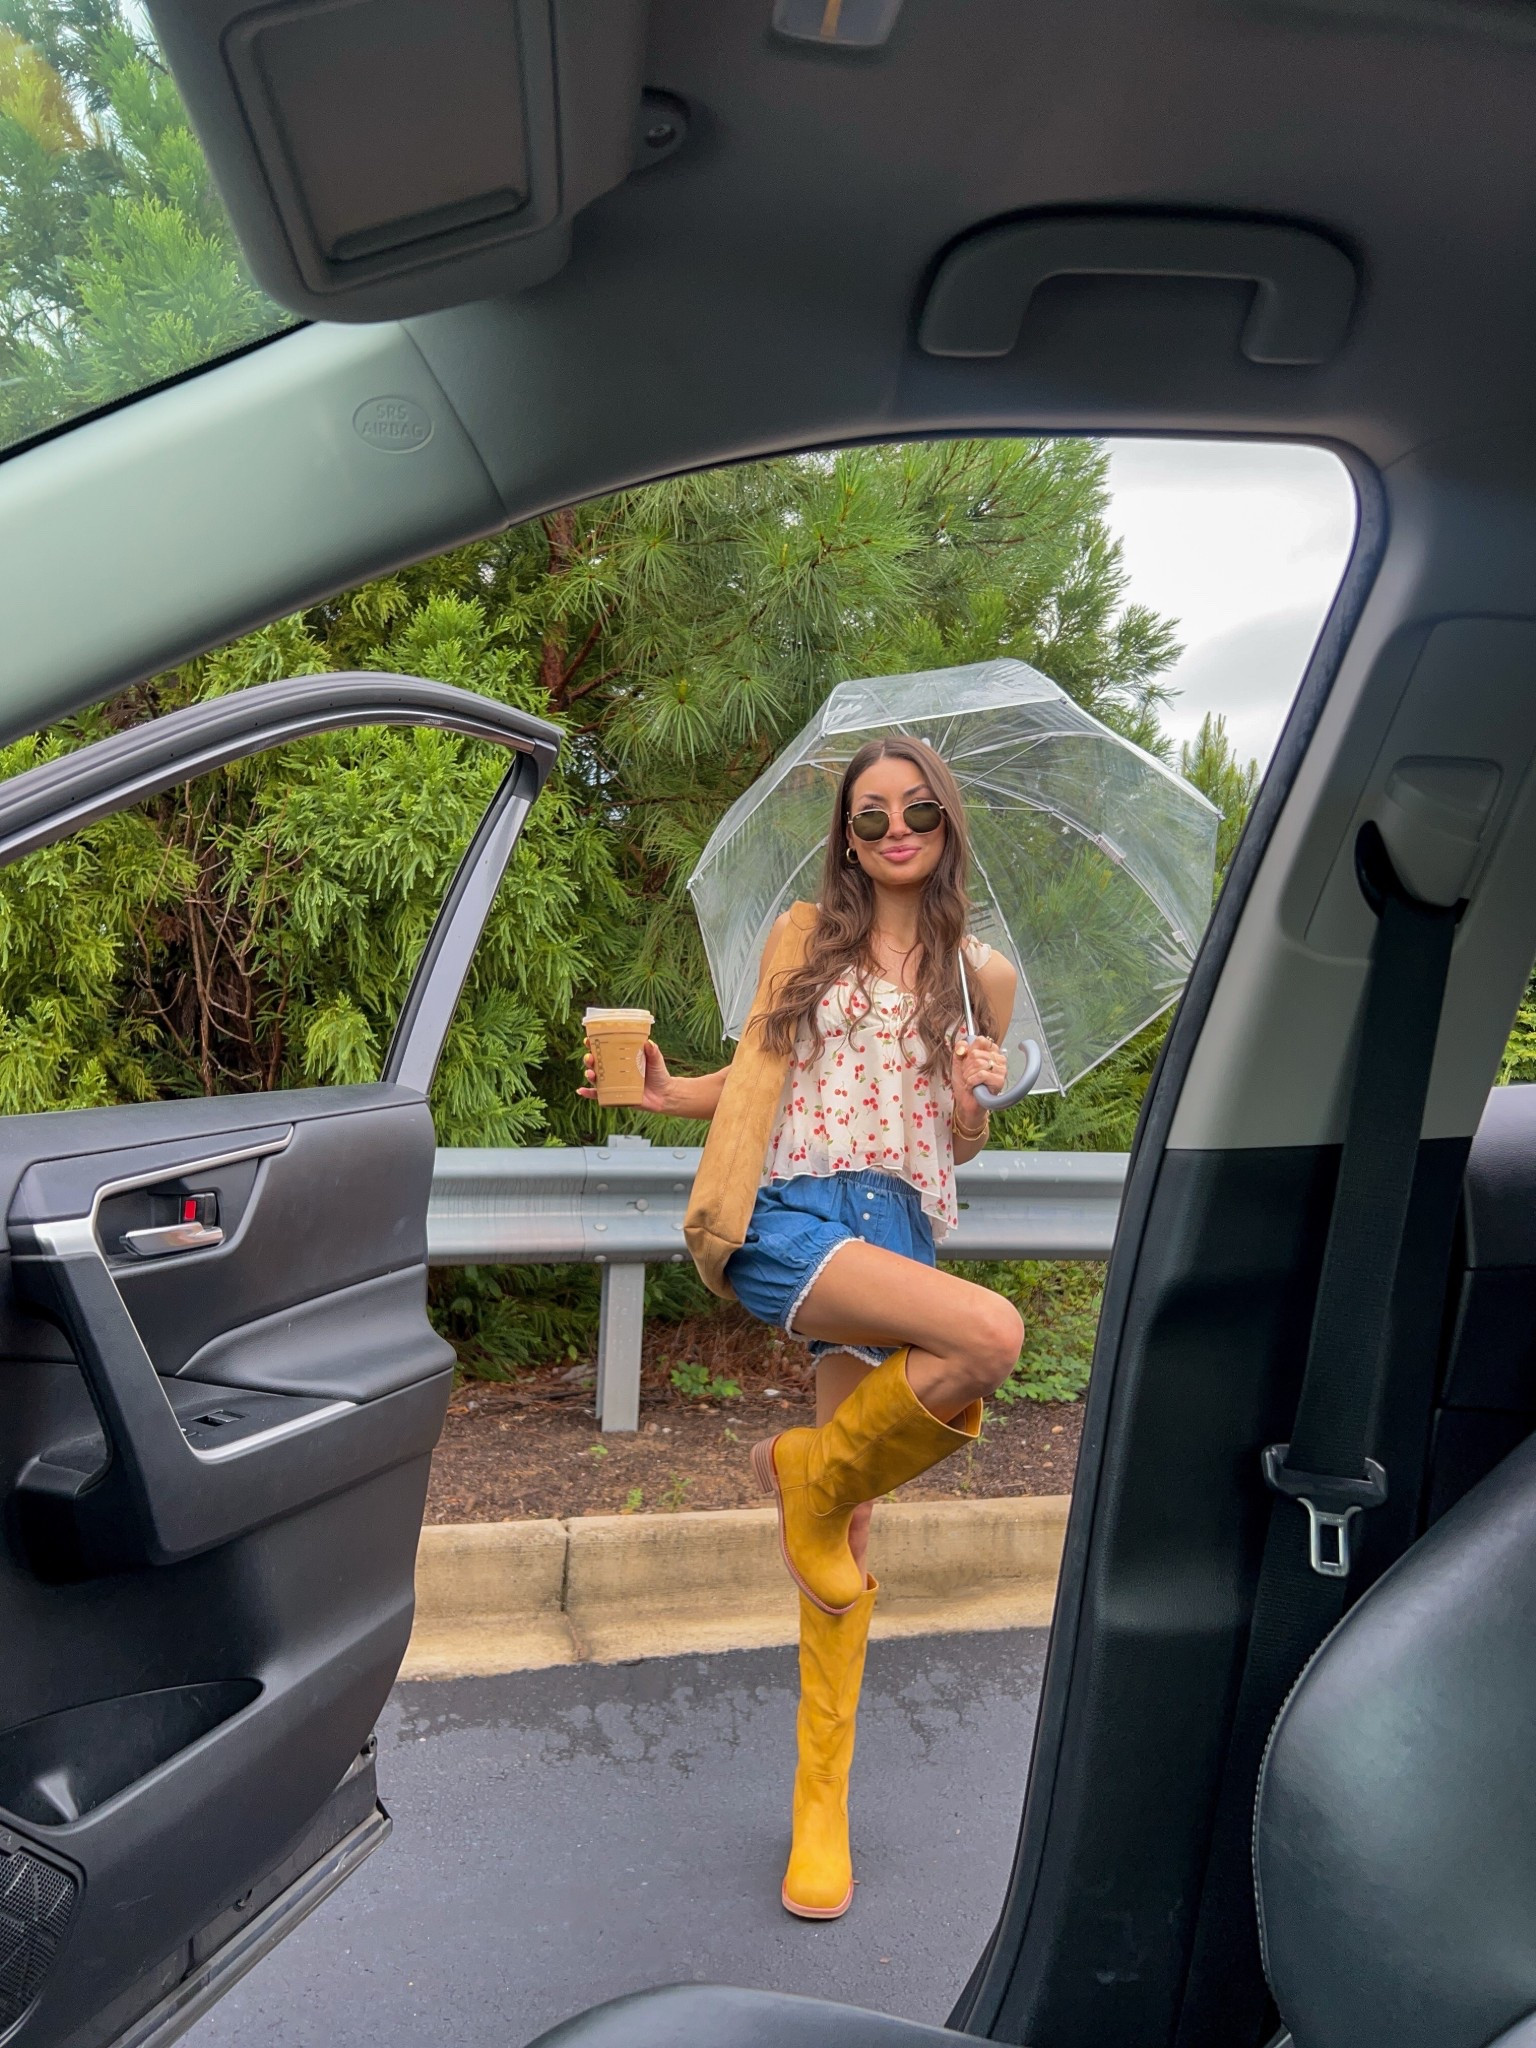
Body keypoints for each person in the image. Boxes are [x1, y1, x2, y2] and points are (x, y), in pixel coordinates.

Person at [580, 735, 1023, 1920]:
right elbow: (763, 1073)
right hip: (805, 1208)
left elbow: (960, 1139)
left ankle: (819, 1807)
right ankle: (806, 1472)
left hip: (906, 1221)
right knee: (989, 1337)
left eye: (917, 810)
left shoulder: (984, 977)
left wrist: (977, 1089)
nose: (894, 828)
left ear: (945, 825)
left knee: (850, 1533)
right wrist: (675, 1092)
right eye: (871, 811)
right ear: (845, 829)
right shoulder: (801, 939)